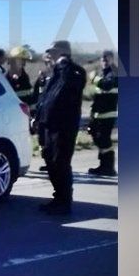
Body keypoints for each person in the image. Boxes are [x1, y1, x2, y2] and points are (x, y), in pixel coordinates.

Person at [34, 40, 86, 215]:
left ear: (62, 52)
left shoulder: (70, 71)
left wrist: (62, 64)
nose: (49, 54)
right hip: (49, 124)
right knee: (51, 160)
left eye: (53, 51)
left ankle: (64, 201)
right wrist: (39, 118)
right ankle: (59, 197)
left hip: (62, 126)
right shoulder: (56, 72)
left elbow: (58, 99)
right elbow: (46, 98)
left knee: (60, 162)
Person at [86, 50, 119, 176]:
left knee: (104, 140)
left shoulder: (114, 73)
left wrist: (94, 78)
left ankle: (109, 167)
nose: (104, 61)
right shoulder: (103, 73)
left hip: (107, 114)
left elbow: (106, 86)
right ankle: (103, 165)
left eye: (107, 59)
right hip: (98, 114)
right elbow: (97, 94)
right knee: (99, 139)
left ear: (111, 59)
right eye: (102, 59)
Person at [33, 51, 53, 172]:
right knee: (42, 140)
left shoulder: (58, 76)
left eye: (49, 60)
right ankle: (47, 161)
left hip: (52, 115)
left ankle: (52, 162)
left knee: (50, 140)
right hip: (41, 113)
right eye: (46, 61)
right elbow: (36, 95)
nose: (47, 63)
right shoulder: (42, 78)